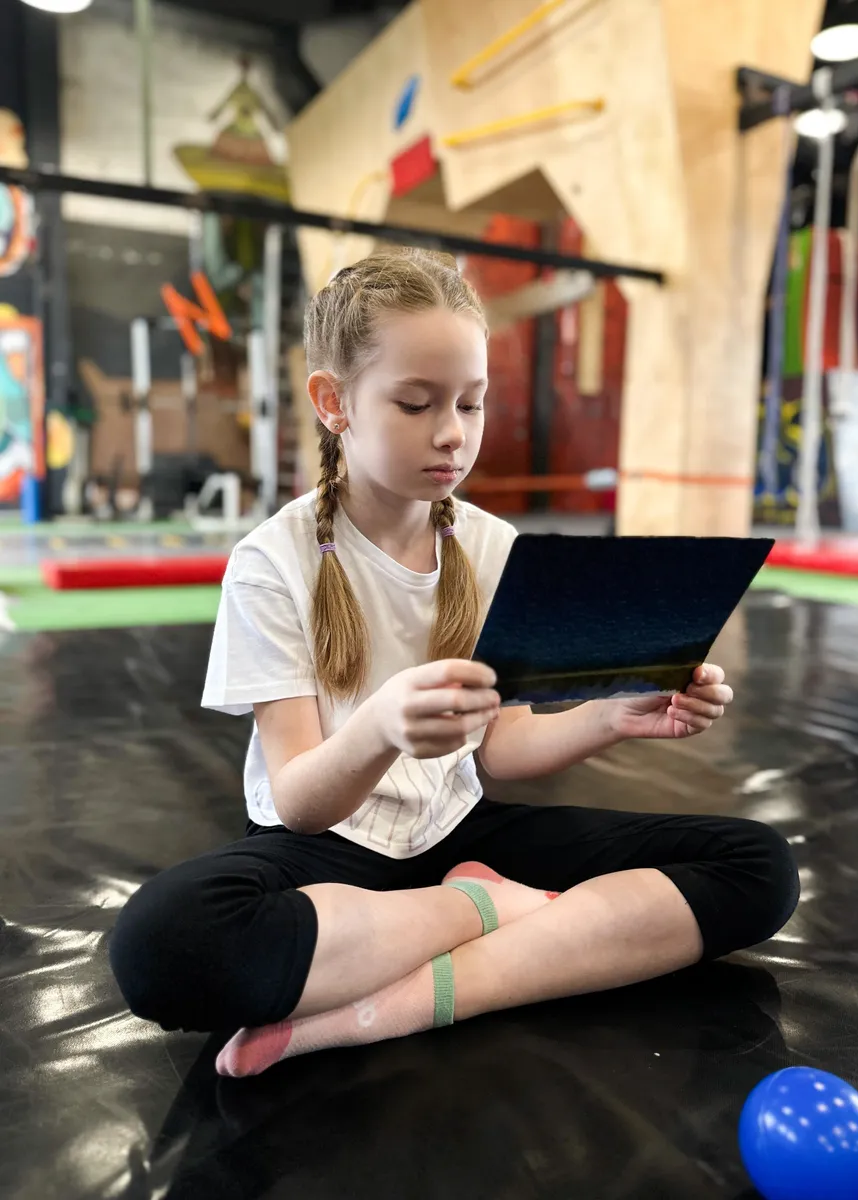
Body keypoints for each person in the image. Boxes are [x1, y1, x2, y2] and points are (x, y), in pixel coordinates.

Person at [109, 249, 799, 1077]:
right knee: (163, 943)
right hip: (328, 848)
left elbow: (499, 748)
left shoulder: (491, 546)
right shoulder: (272, 562)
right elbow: (298, 804)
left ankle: (408, 995)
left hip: (457, 832)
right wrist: (379, 729)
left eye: (471, 403)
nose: (453, 433)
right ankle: (488, 912)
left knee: (758, 867)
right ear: (334, 403)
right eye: (416, 403)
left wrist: (611, 716)